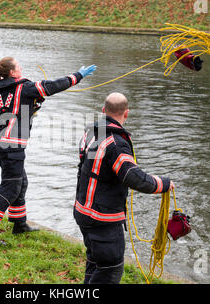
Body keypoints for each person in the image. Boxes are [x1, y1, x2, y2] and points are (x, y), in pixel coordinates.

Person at [0, 56, 97, 245]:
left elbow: (16, 110)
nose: (21, 68)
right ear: (11, 72)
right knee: (11, 185)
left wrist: (31, 106)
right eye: (18, 66)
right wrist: (78, 75)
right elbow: (53, 86)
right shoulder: (24, 87)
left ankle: (19, 224)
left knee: (20, 182)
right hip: (11, 143)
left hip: (0, 140)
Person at [74, 92, 175, 284]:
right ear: (126, 114)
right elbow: (133, 177)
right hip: (102, 218)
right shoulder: (116, 143)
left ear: (104, 111)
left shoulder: (91, 132)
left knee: (95, 263)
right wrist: (164, 184)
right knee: (110, 269)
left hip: (82, 211)